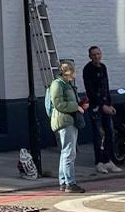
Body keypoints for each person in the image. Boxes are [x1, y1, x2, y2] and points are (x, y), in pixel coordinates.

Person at [44, 60, 87, 193]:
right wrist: (77, 107)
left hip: (69, 120)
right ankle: (70, 183)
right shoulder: (57, 84)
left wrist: (80, 104)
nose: (75, 73)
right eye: (74, 70)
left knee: (66, 152)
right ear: (68, 71)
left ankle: (63, 182)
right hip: (64, 121)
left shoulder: (66, 84)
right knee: (69, 152)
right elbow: (59, 104)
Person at [83, 44, 119, 173]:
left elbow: (106, 87)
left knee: (109, 132)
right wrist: (102, 105)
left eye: (98, 54)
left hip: (106, 105)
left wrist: (109, 104)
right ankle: (99, 162)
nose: (96, 57)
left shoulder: (103, 67)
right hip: (96, 107)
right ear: (90, 56)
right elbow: (90, 91)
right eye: (94, 55)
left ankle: (108, 160)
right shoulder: (88, 70)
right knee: (99, 134)